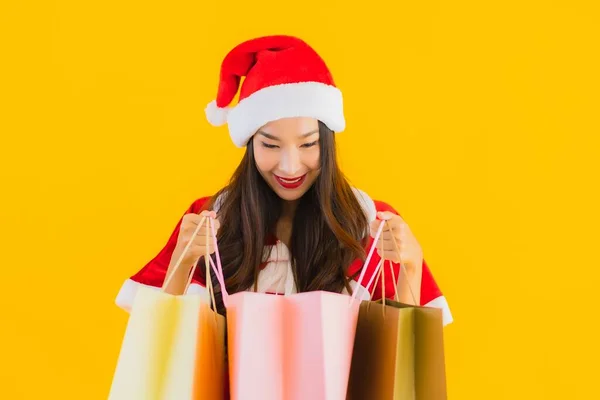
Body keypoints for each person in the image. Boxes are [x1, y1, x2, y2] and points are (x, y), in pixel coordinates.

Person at [115, 34, 453, 326]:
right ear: (249, 144)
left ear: (328, 143)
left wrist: (411, 263)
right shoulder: (212, 219)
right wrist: (183, 260)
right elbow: (160, 338)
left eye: (308, 144)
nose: (290, 166)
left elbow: (402, 346)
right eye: (270, 145)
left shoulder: (369, 222)